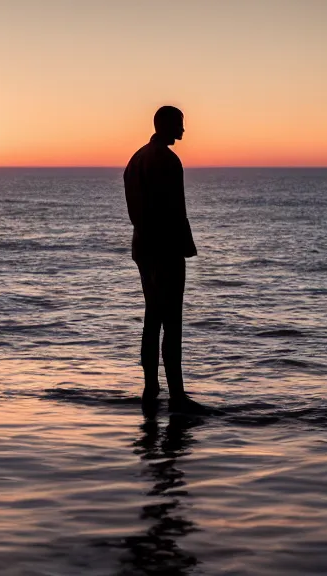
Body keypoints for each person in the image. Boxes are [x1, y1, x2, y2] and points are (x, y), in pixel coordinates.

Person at [124, 106, 208, 414]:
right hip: (164, 249)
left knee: (153, 318)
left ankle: (152, 388)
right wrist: (183, 249)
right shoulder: (167, 160)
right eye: (181, 123)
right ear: (167, 125)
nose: (184, 129)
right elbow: (174, 211)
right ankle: (176, 395)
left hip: (143, 247)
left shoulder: (136, 159)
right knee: (171, 322)